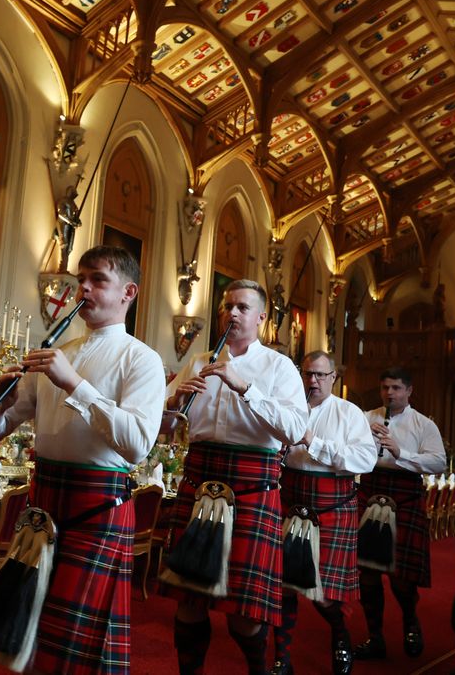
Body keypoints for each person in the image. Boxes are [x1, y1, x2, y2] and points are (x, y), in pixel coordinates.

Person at [0, 245, 166, 674]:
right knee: (30, 635)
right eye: (82, 278)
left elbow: (137, 444)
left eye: (98, 279)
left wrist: (73, 384)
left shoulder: (142, 359)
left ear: (127, 292)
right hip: (44, 504)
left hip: (98, 508)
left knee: (72, 653)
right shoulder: (62, 352)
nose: (83, 287)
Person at [161, 279, 307, 675]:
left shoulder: (279, 368)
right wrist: (173, 404)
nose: (233, 313)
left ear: (261, 317)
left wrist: (245, 388)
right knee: (189, 601)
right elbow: (162, 427)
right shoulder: (198, 361)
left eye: (243, 307)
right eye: (228, 306)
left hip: (252, 486)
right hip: (199, 477)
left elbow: (294, 430)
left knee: (245, 611)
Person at [272, 351, 377, 675]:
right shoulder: (289, 409)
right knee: (284, 584)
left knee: (325, 593)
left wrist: (313, 442)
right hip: (291, 498)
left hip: (332, 504)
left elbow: (364, 461)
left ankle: (341, 636)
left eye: (319, 375)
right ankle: (281, 657)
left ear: (334, 376)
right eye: (307, 374)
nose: (312, 381)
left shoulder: (350, 414)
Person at [354, 367, 445, 661]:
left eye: (395, 388)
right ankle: (375, 636)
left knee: (400, 576)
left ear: (409, 391)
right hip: (370, 488)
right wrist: (366, 441)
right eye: (385, 388)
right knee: (367, 571)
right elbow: (350, 451)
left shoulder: (423, 424)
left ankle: (410, 622)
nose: (389, 393)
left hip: (404, 493)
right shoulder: (366, 418)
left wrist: (400, 451)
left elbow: (438, 463)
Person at [55, 184, 80, 274]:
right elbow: (61, 214)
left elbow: (75, 217)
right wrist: (70, 221)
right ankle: (62, 268)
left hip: (71, 227)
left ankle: (64, 268)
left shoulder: (73, 204)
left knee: (69, 248)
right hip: (63, 225)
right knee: (64, 245)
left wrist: (77, 222)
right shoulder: (63, 201)